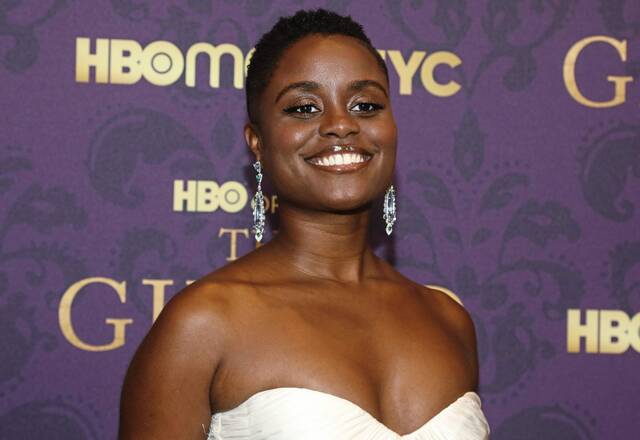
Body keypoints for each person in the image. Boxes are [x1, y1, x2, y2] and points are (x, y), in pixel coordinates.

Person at [118, 8, 489, 440]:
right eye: (304, 108)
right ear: (257, 142)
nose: (341, 124)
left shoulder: (448, 320)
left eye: (366, 105)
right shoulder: (203, 323)